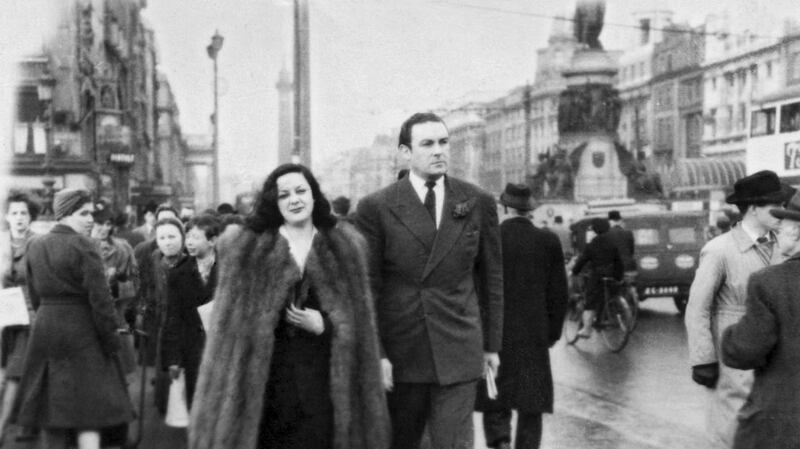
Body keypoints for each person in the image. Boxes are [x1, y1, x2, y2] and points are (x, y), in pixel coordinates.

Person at [189, 163, 390, 449]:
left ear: (314, 196)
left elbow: (362, 322)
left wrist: (327, 324)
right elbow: (228, 329)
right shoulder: (248, 249)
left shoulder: (344, 247)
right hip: (268, 385)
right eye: (284, 195)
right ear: (274, 202)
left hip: (326, 384)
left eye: (300, 191)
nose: (294, 199)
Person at [355, 112, 503, 449]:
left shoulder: (476, 200)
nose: (439, 151)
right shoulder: (376, 207)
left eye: (443, 142)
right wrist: (376, 353)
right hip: (403, 351)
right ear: (405, 153)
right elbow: (368, 288)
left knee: (454, 443)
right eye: (427, 144)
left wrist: (492, 344)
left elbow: (490, 278)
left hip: (459, 345)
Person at [12, 188, 134, 449]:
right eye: (84, 213)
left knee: (51, 410)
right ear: (65, 214)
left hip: (45, 329)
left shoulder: (35, 244)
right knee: (88, 414)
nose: (91, 219)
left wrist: (47, 315)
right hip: (82, 331)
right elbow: (101, 302)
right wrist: (111, 342)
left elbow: (33, 295)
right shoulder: (84, 245)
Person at [685, 170, 793, 448]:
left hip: (772, 354)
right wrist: (703, 359)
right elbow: (697, 308)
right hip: (731, 361)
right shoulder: (719, 250)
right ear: (753, 208)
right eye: (775, 206)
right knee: (729, 431)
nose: (782, 212)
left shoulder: (784, 247)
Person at [477, 184, 568, 449]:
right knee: (531, 401)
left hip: (496, 333)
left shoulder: (489, 238)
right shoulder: (548, 240)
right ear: (530, 209)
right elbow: (559, 294)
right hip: (534, 333)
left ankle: (500, 441)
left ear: (503, 207)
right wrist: (552, 333)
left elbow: (478, 289)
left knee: (496, 394)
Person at [721, 191, 800, 449]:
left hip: (783, 428)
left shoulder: (770, 282)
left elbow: (745, 350)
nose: (777, 234)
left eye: (783, 227)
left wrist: (729, 334)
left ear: (797, 233)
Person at [161, 214, 220, 409]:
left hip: (223, 347)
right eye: (188, 237)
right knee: (197, 403)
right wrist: (174, 358)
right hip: (193, 348)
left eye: (196, 237)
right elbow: (173, 318)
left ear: (212, 241)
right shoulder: (178, 273)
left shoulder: (230, 268)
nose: (190, 243)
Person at [0, 193, 40, 444]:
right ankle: (27, 422)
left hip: (28, 318)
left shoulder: (37, 244)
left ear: (31, 217)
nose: (19, 218)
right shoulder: (0, 243)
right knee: (5, 374)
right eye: (14, 213)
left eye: (24, 213)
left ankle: (2, 429)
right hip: (3, 318)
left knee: (15, 374)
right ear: (6, 216)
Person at [91, 208, 138, 374]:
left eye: (107, 224)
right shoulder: (82, 246)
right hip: (89, 313)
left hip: (117, 311)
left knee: (120, 368)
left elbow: (134, 278)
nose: (103, 228)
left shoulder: (122, 247)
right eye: (99, 224)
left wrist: (117, 278)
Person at [149, 216, 187, 414]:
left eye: (172, 236)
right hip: (163, 321)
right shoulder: (156, 259)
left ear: (182, 236)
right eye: (162, 238)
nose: (167, 242)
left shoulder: (190, 261)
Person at [570, 217, 623, 338]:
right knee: (608, 295)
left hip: (597, 275)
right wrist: (618, 277)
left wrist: (574, 271)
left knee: (590, 300)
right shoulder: (613, 242)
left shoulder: (593, 244)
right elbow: (618, 261)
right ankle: (605, 316)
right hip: (611, 274)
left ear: (595, 229)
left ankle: (587, 329)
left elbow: (583, 260)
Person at [606, 210, 637, 306]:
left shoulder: (606, 234)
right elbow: (631, 251)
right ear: (619, 221)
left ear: (609, 221)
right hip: (630, 266)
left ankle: (612, 305)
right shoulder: (628, 233)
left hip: (614, 267)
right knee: (628, 284)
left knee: (609, 287)